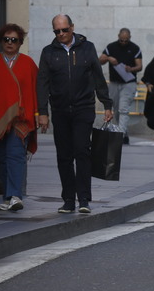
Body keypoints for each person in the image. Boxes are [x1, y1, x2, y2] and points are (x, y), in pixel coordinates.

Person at [36, 15, 113, 214]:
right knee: (64, 156)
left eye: (64, 30)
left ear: (72, 28)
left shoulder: (87, 48)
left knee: (82, 151)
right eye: (57, 31)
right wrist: (43, 112)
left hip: (83, 107)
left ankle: (84, 199)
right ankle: (68, 199)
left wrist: (107, 104)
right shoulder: (48, 52)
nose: (61, 34)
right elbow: (42, 84)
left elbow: (98, 76)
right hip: (60, 110)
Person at [0, 24, 39, 212]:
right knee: (1, 158)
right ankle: (8, 196)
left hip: (20, 121)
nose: (10, 43)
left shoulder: (28, 63)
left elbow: (35, 90)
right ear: (1, 41)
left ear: (20, 43)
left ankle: (15, 195)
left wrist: (39, 114)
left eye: (14, 40)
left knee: (15, 154)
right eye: (6, 39)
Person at [99, 28, 142, 143]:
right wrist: (108, 58)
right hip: (114, 83)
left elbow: (140, 66)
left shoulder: (134, 48)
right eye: (121, 40)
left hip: (128, 83)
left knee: (123, 109)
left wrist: (131, 69)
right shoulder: (111, 47)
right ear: (118, 36)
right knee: (116, 110)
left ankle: (120, 136)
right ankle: (124, 132)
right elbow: (99, 60)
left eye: (126, 40)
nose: (123, 42)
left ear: (129, 38)